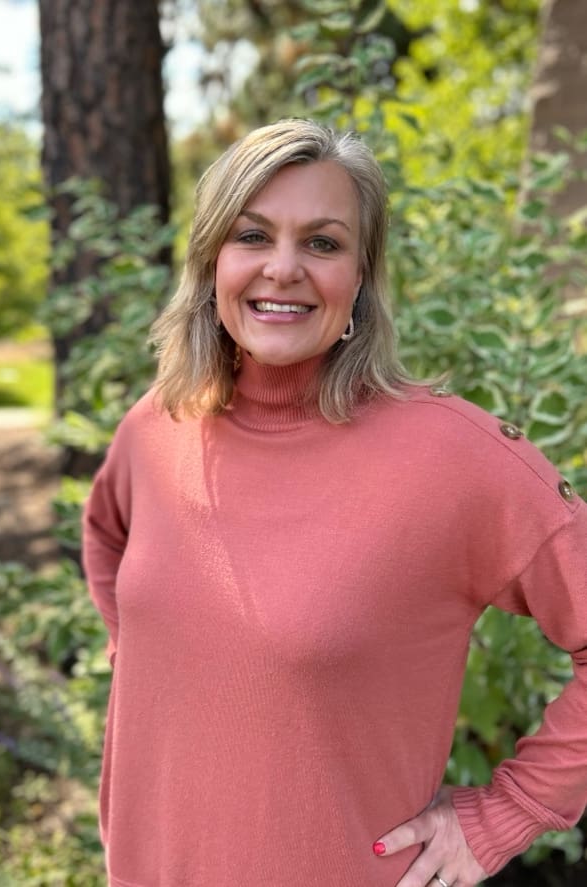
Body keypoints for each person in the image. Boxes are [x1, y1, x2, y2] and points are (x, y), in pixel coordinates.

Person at [82, 118, 587, 887]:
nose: (282, 268)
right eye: (253, 235)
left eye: (322, 243)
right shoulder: (160, 424)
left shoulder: (452, 457)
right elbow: (105, 532)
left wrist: (510, 808)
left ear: (360, 276)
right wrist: (153, 667)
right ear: (212, 259)